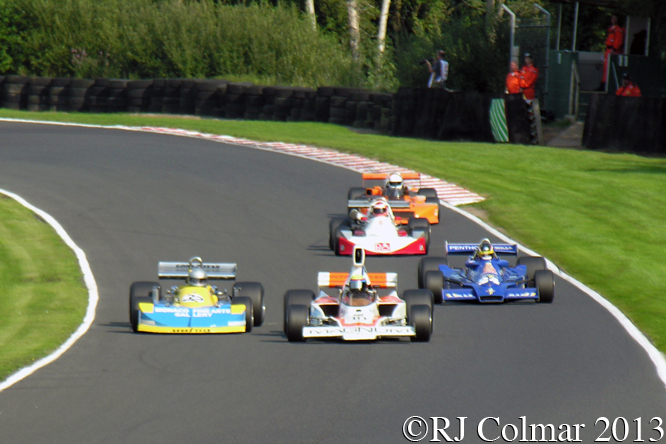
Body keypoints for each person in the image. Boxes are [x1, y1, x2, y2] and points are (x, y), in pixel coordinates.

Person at [601, 14, 625, 89]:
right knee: (605, 68)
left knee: (609, 68)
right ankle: (603, 84)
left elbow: (619, 41)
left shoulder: (619, 29)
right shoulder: (611, 28)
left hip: (613, 51)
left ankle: (606, 86)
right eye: (612, 18)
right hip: (608, 50)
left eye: (615, 18)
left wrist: (614, 50)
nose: (614, 20)